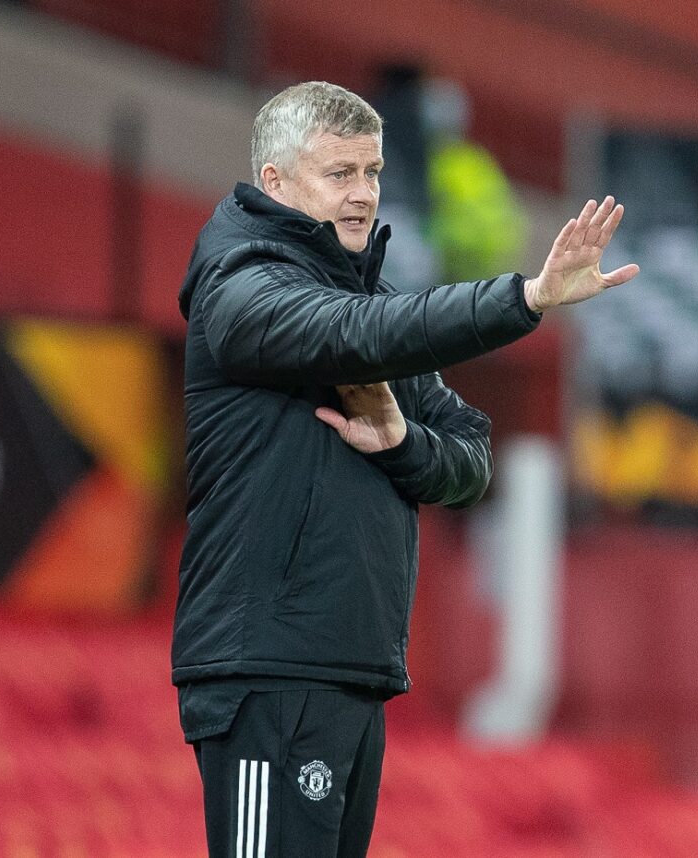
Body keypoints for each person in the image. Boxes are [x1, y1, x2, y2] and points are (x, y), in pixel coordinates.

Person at [172, 80, 638, 858]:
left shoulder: (368, 302)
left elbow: (471, 459)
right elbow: (355, 334)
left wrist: (400, 442)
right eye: (340, 173)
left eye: (373, 172)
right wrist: (525, 298)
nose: (364, 194)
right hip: (267, 672)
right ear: (275, 181)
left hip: (351, 670)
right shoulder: (239, 287)